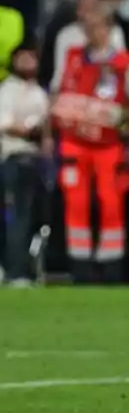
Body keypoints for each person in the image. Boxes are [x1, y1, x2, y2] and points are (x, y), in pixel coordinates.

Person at [49, 4, 129, 283]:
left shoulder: (125, 64)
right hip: (74, 143)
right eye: (86, 27)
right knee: (75, 203)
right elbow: (56, 94)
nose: (90, 32)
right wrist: (49, 133)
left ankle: (110, 266)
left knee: (110, 202)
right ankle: (80, 267)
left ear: (109, 28)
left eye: (95, 25)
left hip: (109, 145)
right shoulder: (71, 57)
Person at [0, 43, 50, 286]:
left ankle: (27, 267)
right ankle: (14, 271)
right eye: (24, 57)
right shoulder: (7, 90)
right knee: (16, 216)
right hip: (13, 158)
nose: (29, 62)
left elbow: (46, 124)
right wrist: (31, 130)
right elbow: (6, 124)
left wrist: (36, 131)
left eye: (32, 57)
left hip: (36, 160)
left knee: (33, 217)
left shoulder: (39, 92)